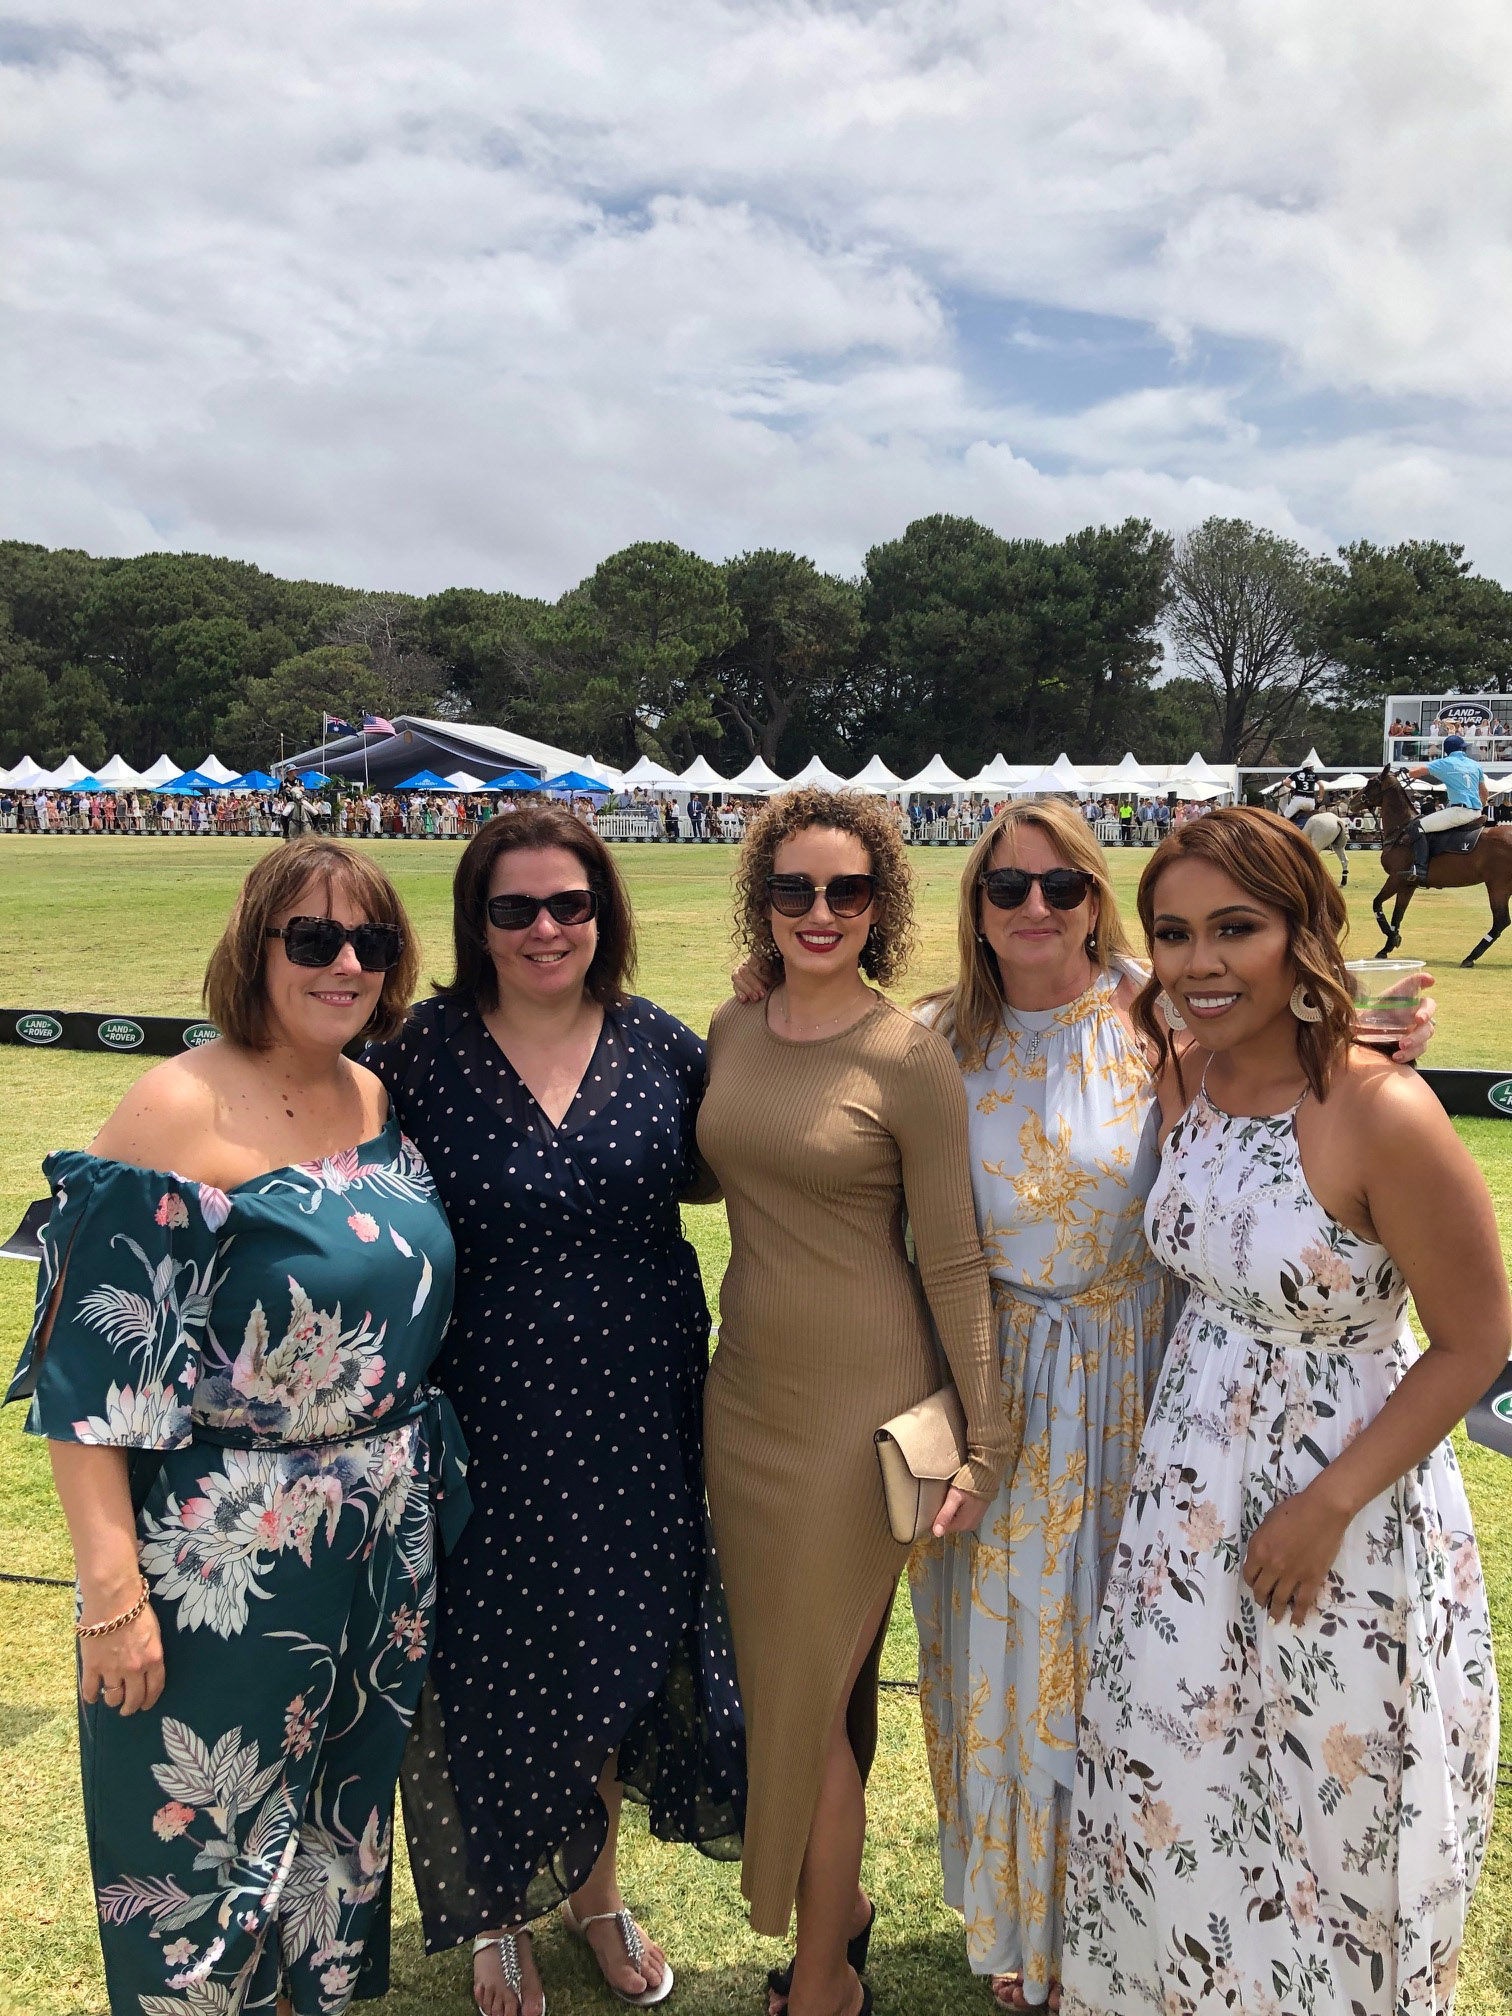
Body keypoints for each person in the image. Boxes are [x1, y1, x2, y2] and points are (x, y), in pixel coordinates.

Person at [5, 838, 468, 2015]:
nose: (346, 963)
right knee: (204, 1850)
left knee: (333, 1849)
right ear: (254, 950)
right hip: (227, 1555)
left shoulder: (371, 1090)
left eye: (371, 942)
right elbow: (88, 1378)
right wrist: (112, 1595)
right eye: (312, 940)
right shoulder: (174, 1108)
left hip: (376, 1550)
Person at [1061, 807, 1502, 2016]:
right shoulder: (1189, 1073)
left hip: (1343, 1496)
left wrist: (1326, 1504)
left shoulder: (1381, 1111)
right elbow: (1088, 972)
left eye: (1237, 929)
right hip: (1187, 1487)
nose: (1200, 962)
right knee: (1182, 1770)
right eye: (1176, 934)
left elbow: (1477, 1341)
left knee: (1328, 1801)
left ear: (1304, 930)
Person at [364, 805, 743, 2016]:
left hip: (642, 1407)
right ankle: (492, 1917)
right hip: (487, 1409)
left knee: (612, 1655)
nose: (544, 928)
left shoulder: (664, 1047)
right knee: (489, 1658)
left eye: (569, 904)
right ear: (478, 924)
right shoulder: (419, 1053)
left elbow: (757, 1143)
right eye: (514, 907)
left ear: (603, 916)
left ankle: (594, 1895)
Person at [699, 786, 1009, 2016]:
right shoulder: (733, 1027)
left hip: (860, 1419)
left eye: (846, 891)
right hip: (747, 1401)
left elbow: (955, 1262)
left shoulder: (907, 1054)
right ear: (762, 903)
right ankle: (842, 1911)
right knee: (783, 1684)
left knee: (815, 1696)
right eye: (794, 890)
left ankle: (825, 1973)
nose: (819, 912)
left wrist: (985, 1444)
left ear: (879, 905)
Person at [907, 802, 1175, 2012]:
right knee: (1001, 1665)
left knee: (1120, 1668)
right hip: (991, 1390)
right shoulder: (929, 1039)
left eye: (1059, 887)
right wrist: (757, 987)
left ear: (1094, 895)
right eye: (1006, 888)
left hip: (1137, 1385)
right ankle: (1021, 1927)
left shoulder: (1156, 1015)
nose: (1033, 909)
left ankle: (1114, 1920)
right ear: (974, 905)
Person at [1406, 731, 1488, 883]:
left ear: (1447, 751)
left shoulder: (1444, 763)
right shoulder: (1475, 765)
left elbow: (1414, 773)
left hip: (1460, 811)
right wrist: (1480, 807)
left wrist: (1407, 770)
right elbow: (1484, 792)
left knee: (1417, 826)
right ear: (1462, 749)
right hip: (1476, 812)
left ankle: (1420, 869)